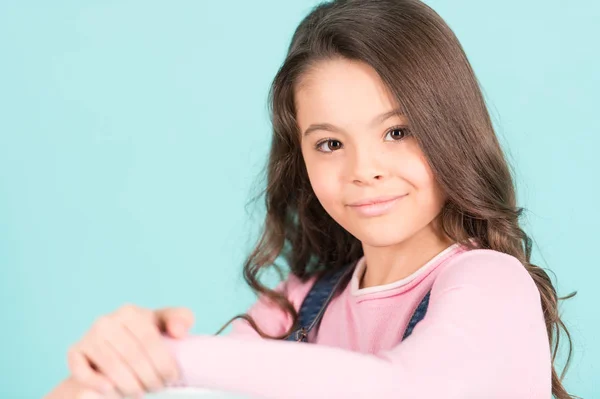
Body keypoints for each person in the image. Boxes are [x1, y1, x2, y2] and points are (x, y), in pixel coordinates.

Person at [45, 0, 576, 398]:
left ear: (451, 131)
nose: (363, 170)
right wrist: (109, 364)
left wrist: (173, 356)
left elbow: (407, 390)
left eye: (397, 132)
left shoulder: (490, 283)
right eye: (330, 143)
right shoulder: (299, 305)